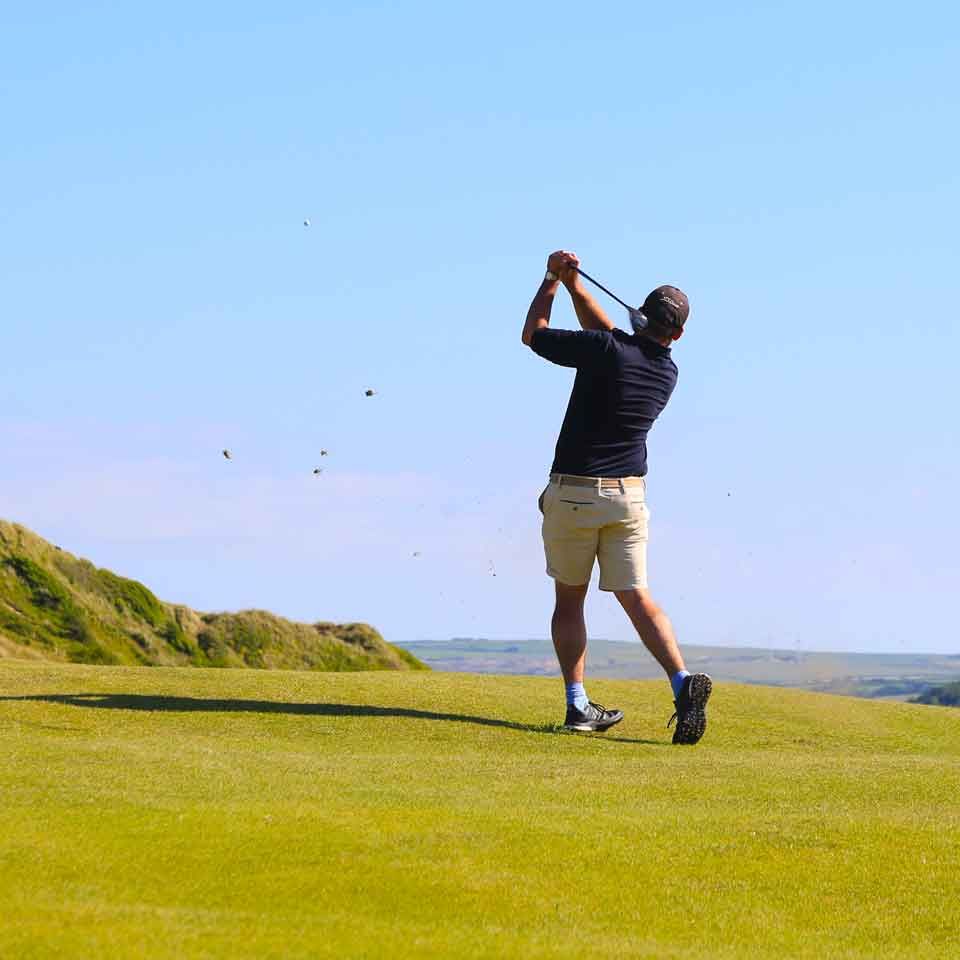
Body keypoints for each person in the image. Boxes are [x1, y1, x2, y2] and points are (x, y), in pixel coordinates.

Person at [521, 250, 712, 745]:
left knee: (569, 599)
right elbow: (606, 337)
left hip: (574, 493)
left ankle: (578, 704)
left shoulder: (608, 350)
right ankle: (681, 680)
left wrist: (550, 281)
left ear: (642, 316)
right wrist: (575, 286)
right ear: (679, 335)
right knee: (636, 596)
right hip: (628, 499)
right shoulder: (665, 372)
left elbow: (534, 334)